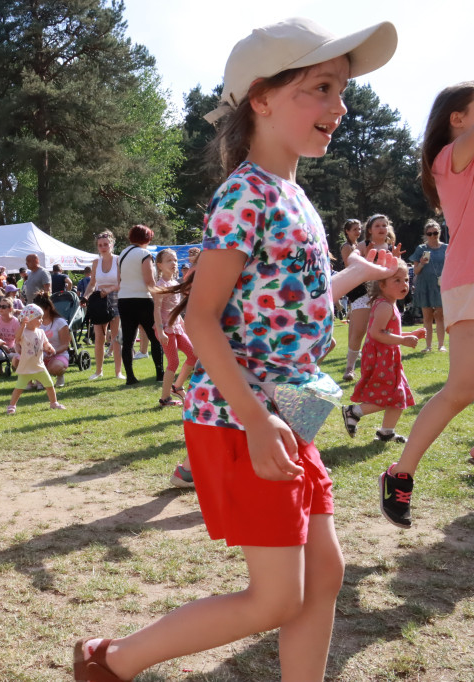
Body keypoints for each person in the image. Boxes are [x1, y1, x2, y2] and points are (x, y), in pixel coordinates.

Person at [73, 18, 398, 682]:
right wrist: (255, 419)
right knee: (277, 596)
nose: (341, 107)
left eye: (343, 91)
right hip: (241, 417)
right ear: (262, 97)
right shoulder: (242, 197)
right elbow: (203, 317)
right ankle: (112, 664)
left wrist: (353, 278)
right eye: (323, 88)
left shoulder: (296, 196)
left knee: (325, 573)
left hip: (290, 413)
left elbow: (288, 303)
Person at [379, 81, 474, 529]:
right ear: (458, 119)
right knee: (462, 388)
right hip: (469, 279)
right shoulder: (448, 159)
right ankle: (401, 474)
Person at [341, 261, 422, 443]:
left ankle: (386, 432)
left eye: (406, 280)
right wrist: (403, 340)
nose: (405, 285)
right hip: (382, 358)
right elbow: (376, 334)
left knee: (399, 395)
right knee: (386, 394)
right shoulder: (385, 306)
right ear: (382, 285)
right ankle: (353, 412)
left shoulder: (388, 303)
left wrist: (410, 334)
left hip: (387, 357)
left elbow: (388, 332)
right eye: (397, 281)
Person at [343, 213, 396, 381]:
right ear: (370, 230)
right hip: (363, 293)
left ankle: (381, 368)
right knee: (358, 331)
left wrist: (398, 259)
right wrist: (363, 257)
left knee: (383, 332)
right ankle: (350, 369)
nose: (381, 228)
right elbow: (353, 259)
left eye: (384, 225)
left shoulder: (391, 247)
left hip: (384, 295)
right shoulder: (363, 245)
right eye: (377, 225)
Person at [116, 225, 163, 385]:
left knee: (128, 340)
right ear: (148, 239)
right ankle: (160, 374)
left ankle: (130, 376)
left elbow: (119, 279)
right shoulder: (145, 254)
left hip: (124, 299)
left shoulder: (122, 254)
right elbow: (149, 281)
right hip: (142, 299)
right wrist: (158, 296)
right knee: (155, 338)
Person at [152, 249, 197, 408]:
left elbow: (176, 310)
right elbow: (156, 310)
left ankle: (177, 387)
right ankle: (165, 398)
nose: (174, 263)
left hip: (177, 327)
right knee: (174, 362)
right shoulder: (160, 286)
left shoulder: (175, 283)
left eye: (175, 260)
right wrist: (161, 330)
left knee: (193, 355)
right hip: (165, 328)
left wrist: (184, 327)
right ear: (160, 266)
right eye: (169, 261)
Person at [6, 304, 65, 414]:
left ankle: (54, 403)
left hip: (39, 366)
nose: (41, 320)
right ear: (29, 319)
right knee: (19, 388)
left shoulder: (41, 332)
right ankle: (11, 405)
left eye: (41, 317)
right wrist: (23, 325)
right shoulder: (23, 333)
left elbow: (45, 343)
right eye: (38, 318)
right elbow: (17, 338)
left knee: (49, 384)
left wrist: (50, 348)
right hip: (26, 367)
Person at [86, 231, 122, 380]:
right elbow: (92, 283)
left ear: (112, 245)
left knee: (115, 336)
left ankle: (118, 372)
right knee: (99, 336)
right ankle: (98, 371)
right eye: (100, 245)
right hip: (99, 299)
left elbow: (122, 282)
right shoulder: (96, 262)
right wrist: (85, 296)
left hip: (115, 297)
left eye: (106, 244)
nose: (103, 247)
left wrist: (109, 289)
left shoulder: (118, 260)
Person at [409, 219, 448, 352]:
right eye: (429, 233)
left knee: (440, 316)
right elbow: (416, 271)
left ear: (440, 232)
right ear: (425, 234)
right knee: (427, 317)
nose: (433, 235)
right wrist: (421, 263)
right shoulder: (421, 249)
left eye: (435, 232)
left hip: (440, 285)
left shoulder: (446, 248)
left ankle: (441, 345)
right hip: (424, 285)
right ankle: (428, 346)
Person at [32, 293, 71, 388]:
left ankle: (59, 375)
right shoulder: (34, 323)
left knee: (54, 367)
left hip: (58, 354)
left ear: (48, 308)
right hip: (40, 355)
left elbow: (65, 345)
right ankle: (37, 380)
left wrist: (53, 352)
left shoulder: (60, 322)